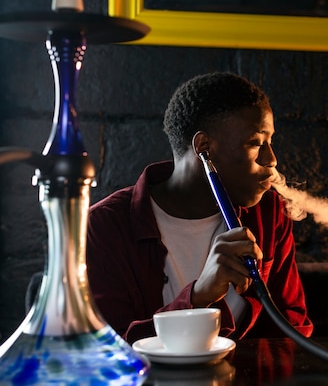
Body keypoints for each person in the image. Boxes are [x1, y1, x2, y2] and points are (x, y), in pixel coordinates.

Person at [86, 72, 313, 345]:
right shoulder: (101, 228)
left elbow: (292, 327)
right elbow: (107, 348)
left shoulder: (269, 213)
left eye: (270, 142)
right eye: (255, 143)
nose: (271, 160)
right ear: (203, 147)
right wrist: (198, 297)